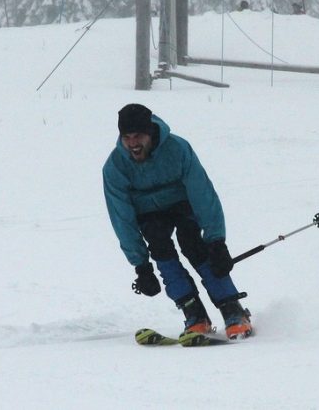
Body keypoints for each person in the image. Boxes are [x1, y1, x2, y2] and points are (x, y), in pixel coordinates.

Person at [102, 104, 253, 340]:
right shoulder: (115, 167)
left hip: (183, 205)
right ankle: (193, 313)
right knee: (158, 243)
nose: (133, 144)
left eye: (138, 136)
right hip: (150, 214)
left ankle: (232, 308)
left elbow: (203, 195)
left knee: (192, 242)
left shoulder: (178, 149)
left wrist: (217, 242)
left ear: (150, 133)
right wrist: (141, 266)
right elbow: (122, 219)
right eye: (127, 137)